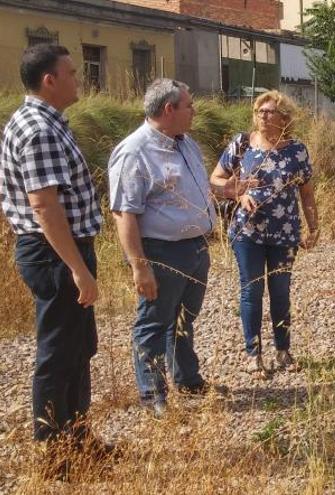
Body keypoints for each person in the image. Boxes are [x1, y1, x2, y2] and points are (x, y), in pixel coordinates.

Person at [0, 44, 112, 474]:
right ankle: (54, 456)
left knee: (78, 348)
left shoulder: (44, 121)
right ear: (50, 80)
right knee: (58, 352)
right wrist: (78, 269)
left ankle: (79, 441)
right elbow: (45, 206)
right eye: (72, 72)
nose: (78, 79)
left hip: (60, 250)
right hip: (55, 254)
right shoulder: (39, 129)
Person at [108, 79, 223, 416]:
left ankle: (187, 379)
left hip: (196, 249)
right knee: (154, 323)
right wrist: (139, 266)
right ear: (169, 109)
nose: (194, 111)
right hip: (161, 253)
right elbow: (124, 213)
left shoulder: (187, 144)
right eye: (189, 105)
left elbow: (195, 190)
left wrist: (225, 192)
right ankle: (153, 395)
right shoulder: (134, 152)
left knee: (185, 318)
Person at [210, 91, 319, 374]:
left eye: (269, 111)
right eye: (259, 111)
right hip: (248, 232)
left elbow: (307, 194)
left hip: (285, 234)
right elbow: (216, 178)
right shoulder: (242, 144)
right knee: (251, 290)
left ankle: (283, 351)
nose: (262, 116)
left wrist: (314, 227)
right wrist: (238, 195)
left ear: (284, 118)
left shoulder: (297, 151)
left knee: (281, 292)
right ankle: (253, 355)